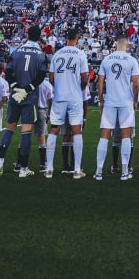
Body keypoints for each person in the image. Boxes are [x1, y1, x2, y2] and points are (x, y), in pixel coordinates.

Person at [0, 27, 48, 177]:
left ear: (27, 35)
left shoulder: (16, 52)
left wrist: (15, 88)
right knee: (26, 132)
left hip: (14, 97)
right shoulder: (41, 55)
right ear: (39, 37)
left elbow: (8, 72)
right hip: (29, 98)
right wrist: (27, 89)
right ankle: (23, 169)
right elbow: (42, 75)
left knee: (9, 129)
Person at [45, 29, 89, 178]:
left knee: (54, 129)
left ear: (65, 38)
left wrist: (60, 86)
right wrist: (79, 87)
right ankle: (77, 170)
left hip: (59, 97)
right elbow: (85, 78)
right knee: (77, 130)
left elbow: (51, 78)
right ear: (77, 38)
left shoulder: (57, 54)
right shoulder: (81, 54)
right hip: (75, 98)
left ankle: (49, 169)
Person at [95, 35, 139, 181]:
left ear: (116, 44)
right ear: (127, 45)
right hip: (126, 102)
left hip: (110, 101)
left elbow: (100, 83)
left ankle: (99, 171)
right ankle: (125, 171)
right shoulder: (132, 60)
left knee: (105, 135)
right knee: (126, 135)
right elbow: (136, 84)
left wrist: (101, 100)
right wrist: (135, 100)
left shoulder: (107, 59)